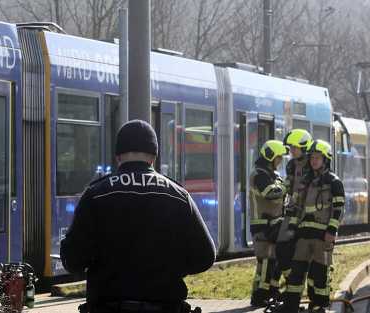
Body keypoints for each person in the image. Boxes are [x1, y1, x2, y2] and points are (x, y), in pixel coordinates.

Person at [60, 120, 215, 313]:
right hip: (165, 307)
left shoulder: (96, 194)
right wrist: (170, 269)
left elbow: (74, 260)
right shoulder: (178, 195)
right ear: (154, 157)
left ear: (118, 156)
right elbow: (205, 256)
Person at [271, 140, 345, 313]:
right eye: (312, 157)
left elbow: (339, 209)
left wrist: (332, 231)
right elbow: (296, 206)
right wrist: (291, 230)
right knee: (296, 273)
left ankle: (320, 306)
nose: (314, 161)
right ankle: (291, 307)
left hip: (322, 236)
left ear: (325, 160)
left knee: (319, 275)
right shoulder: (305, 181)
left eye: (318, 158)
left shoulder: (334, 181)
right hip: (303, 235)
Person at [268, 129, 313, 302]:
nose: (291, 151)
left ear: (304, 147)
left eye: (294, 148)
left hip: (307, 217)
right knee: (281, 248)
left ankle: (299, 292)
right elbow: (288, 184)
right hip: (292, 213)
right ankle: (289, 284)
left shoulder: (313, 164)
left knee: (302, 256)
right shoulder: (291, 165)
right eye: (290, 148)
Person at [248, 140, 289, 307]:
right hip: (262, 226)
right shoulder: (259, 175)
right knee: (265, 261)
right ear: (270, 156)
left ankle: (271, 291)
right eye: (278, 157)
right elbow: (269, 193)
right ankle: (259, 295)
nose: (280, 161)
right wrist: (286, 187)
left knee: (274, 260)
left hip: (275, 225)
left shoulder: (274, 175)